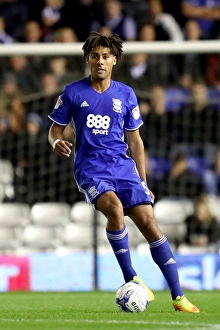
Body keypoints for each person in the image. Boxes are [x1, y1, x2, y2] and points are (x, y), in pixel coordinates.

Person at [48, 31, 199, 313]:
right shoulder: (72, 92)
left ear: (114, 60)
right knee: (115, 209)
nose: (100, 61)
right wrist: (57, 141)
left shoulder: (126, 94)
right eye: (95, 56)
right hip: (91, 170)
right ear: (88, 60)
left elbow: (135, 141)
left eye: (105, 56)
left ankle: (179, 298)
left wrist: (143, 181)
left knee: (150, 225)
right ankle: (131, 277)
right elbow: (55, 129)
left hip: (123, 168)